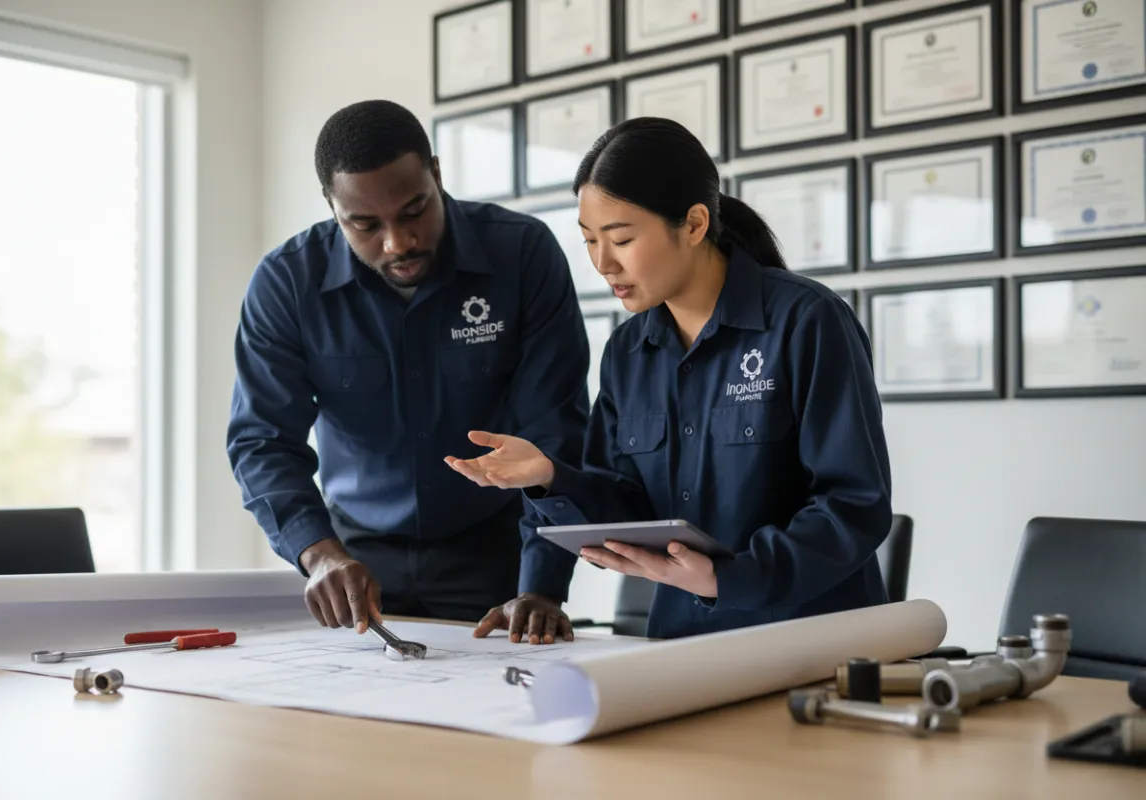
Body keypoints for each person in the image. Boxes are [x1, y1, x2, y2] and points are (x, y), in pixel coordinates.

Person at [447, 117, 893, 640]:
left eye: (622, 239)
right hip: (680, 645)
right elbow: (629, 513)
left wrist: (730, 577)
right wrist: (550, 478)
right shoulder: (627, 352)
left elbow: (854, 505)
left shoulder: (807, 321)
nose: (603, 263)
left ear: (695, 224)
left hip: (810, 640)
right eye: (589, 241)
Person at [227, 100, 589, 638]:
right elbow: (262, 440)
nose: (398, 243)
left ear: (436, 175)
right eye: (366, 224)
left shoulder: (522, 254)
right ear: (332, 207)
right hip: (353, 559)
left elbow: (554, 431)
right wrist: (318, 554)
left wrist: (541, 585)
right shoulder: (287, 284)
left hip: (495, 553)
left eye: (414, 210)